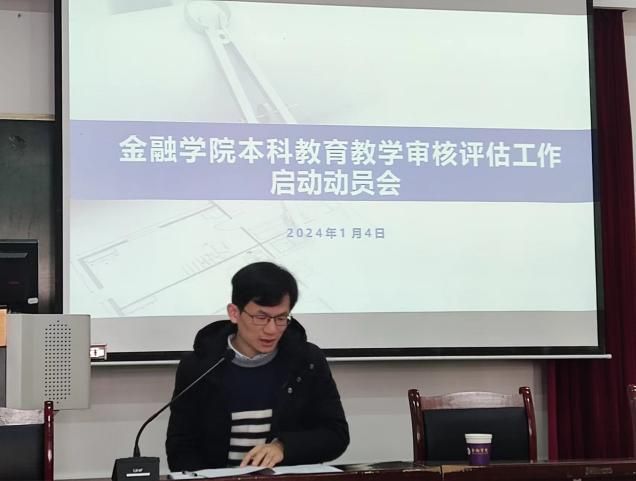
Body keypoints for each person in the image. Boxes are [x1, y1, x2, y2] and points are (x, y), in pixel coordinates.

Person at [166, 262, 349, 471]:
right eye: (261, 317)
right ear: (234, 313)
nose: (272, 330)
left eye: (281, 318)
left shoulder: (307, 361)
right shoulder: (199, 366)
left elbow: (336, 435)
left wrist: (283, 447)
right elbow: (180, 449)